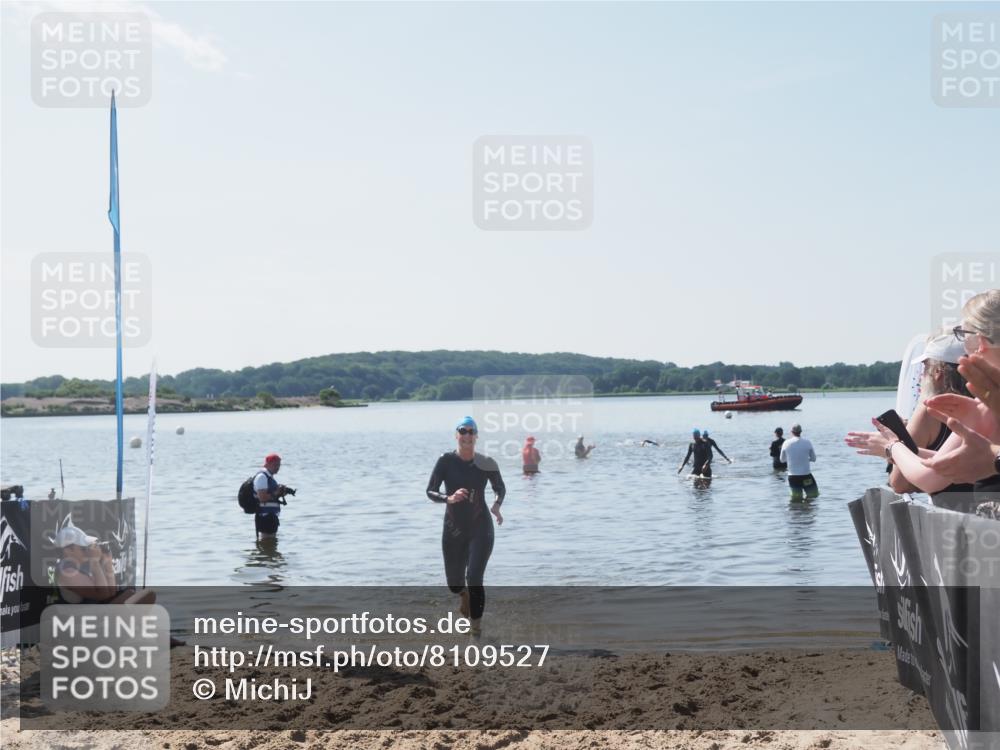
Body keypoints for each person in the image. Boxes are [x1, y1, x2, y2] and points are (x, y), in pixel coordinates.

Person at [846, 291, 1000, 513]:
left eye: (964, 334)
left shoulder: (986, 402)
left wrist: (892, 447)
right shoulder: (982, 403)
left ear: (981, 343)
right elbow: (955, 460)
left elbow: (928, 479)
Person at [426, 417, 506, 636]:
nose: (467, 435)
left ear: (476, 436)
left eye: (472, 432)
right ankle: (463, 596)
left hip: (481, 527)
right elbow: (430, 490)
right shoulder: (445, 461)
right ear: (456, 435)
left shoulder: (486, 462)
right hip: (453, 529)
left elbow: (500, 488)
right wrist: (448, 498)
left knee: (475, 578)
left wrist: (497, 505)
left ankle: (476, 630)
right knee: (454, 584)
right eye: (463, 431)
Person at [253, 453, 294, 539]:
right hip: (265, 517)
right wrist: (276, 493)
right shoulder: (262, 477)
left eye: (279, 465)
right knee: (267, 542)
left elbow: (271, 496)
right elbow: (262, 498)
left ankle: (263, 552)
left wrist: (281, 493)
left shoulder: (269, 477)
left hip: (271, 516)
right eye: (275, 464)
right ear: (268, 464)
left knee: (269, 547)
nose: (278, 467)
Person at [780, 424, 819, 500]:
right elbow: (814, 459)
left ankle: (798, 511)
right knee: (813, 496)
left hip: (793, 477)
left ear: (791, 432)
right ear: (801, 431)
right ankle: (806, 509)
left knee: (796, 498)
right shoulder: (807, 442)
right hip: (806, 476)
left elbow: (782, 460)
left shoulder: (786, 443)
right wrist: (806, 459)